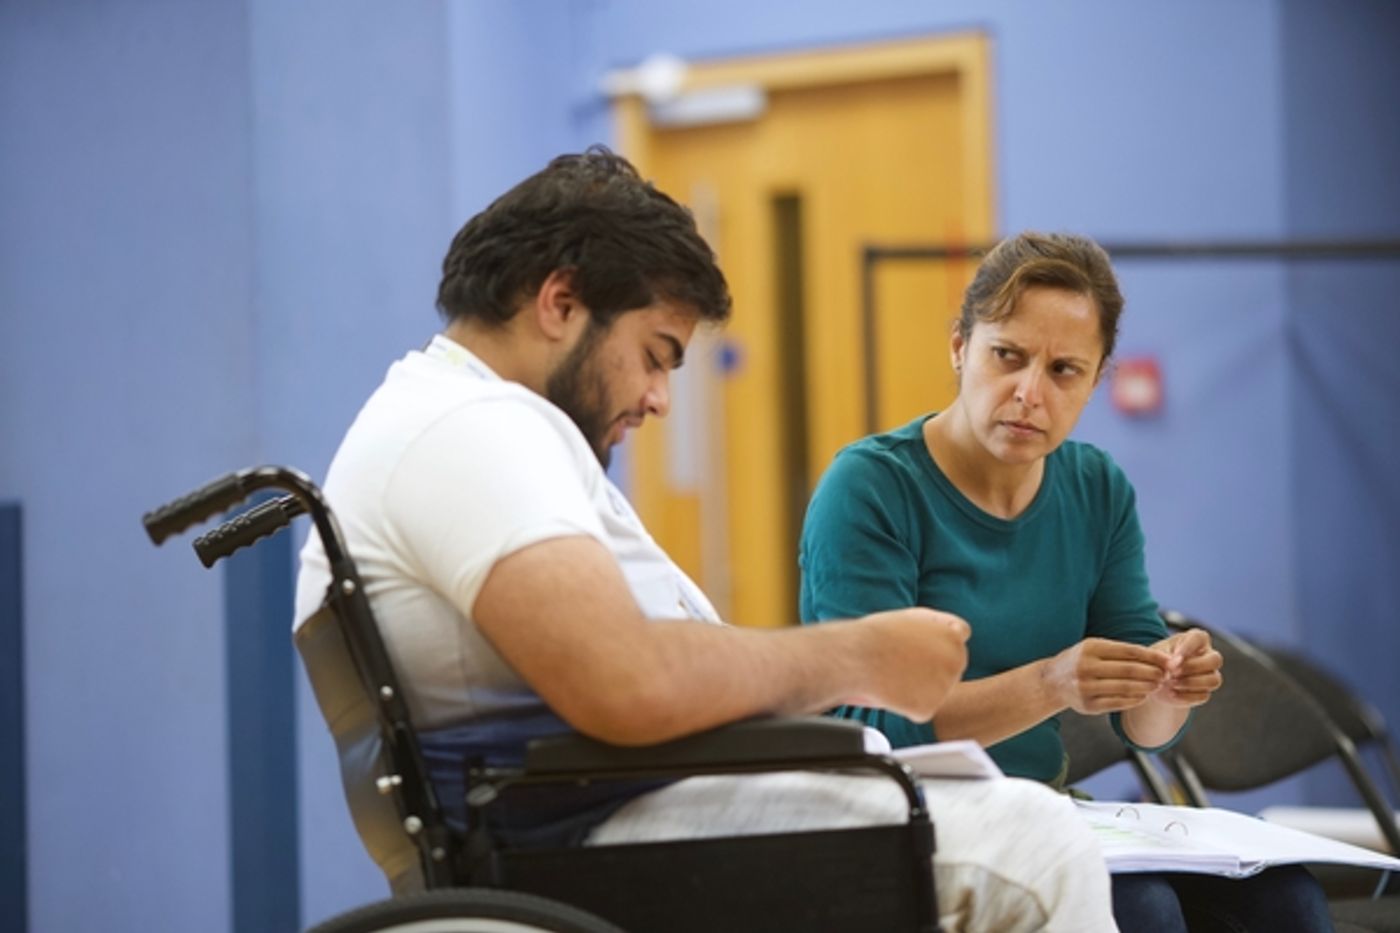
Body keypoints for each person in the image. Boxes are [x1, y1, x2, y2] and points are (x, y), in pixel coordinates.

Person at [295, 150, 1119, 932]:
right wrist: (856, 656)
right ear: (559, 303)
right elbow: (626, 682)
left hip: (608, 814)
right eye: (655, 356)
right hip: (602, 835)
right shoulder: (471, 429)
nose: (658, 399)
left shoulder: (463, 422)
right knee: (1039, 845)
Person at [798, 231, 1334, 932]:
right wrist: (1050, 684)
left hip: (1045, 808)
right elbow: (872, 731)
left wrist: (1167, 688)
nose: (1029, 393)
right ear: (960, 347)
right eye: (1008, 356)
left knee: (1286, 900)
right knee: (1144, 911)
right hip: (902, 817)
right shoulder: (869, 488)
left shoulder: (1095, 487)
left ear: (1095, 378)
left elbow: (1145, 728)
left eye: (1064, 370)